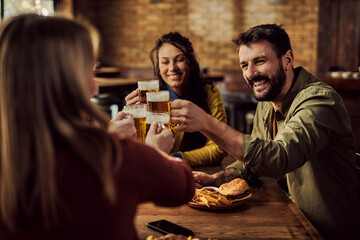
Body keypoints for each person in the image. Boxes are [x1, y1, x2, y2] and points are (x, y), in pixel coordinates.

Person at [0, 14, 194, 240]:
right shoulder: (117, 156)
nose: (94, 86)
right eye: (88, 72)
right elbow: (183, 185)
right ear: (69, 82)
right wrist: (152, 152)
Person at [170, 24, 360, 239]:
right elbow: (256, 161)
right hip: (293, 220)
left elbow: (277, 158)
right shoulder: (269, 101)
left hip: (329, 232)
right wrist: (219, 179)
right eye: (244, 65)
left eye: (260, 61)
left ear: (287, 60)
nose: (250, 74)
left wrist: (206, 123)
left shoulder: (319, 100)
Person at [125, 32, 227, 166]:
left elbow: (218, 149)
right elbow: (136, 150)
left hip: (199, 175)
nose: (172, 68)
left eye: (179, 60)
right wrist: (130, 120)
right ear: (158, 68)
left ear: (190, 62)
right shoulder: (148, 98)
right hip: (156, 170)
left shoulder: (209, 92)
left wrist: (173, 158)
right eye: (165, 62)